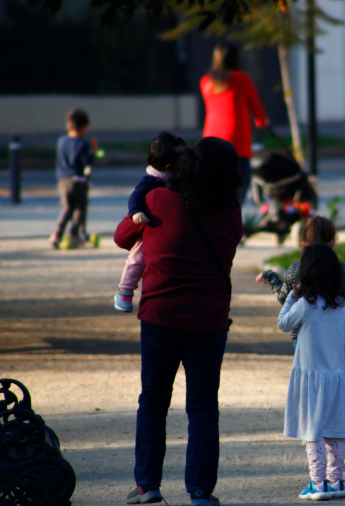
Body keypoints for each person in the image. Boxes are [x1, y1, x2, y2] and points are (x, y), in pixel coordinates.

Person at [114, 137, 244, 506]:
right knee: (203, 407)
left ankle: (147, 485)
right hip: (209, 321)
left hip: (160, 317)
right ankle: (201, 491)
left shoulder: (157, 201)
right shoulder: (232, 212)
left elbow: (123, 236)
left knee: (154, 400)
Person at [278, 242, 345, 501]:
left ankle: (317, 483)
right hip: (337, 378)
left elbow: (283, 324)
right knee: (335, 431)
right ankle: (336, 480)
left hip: (309, 378)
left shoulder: (305, 304)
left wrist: (292, 296)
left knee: (311, 432)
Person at [256, 216, 345, 345]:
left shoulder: (296, 269)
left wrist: (272, 277)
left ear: (302, 243)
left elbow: (284, 299)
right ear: (333, 243)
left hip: (303, 337)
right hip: (333, 336)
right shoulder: (340, 269)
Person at [114, 132, 188, 313]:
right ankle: (125, 290)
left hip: (162, 230)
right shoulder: (151, 181)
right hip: (147, 227)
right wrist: (136, 213)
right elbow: (135, 197)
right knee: (137, 258)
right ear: (169, 167)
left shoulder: (172, 178)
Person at [200, 43, 269, 204]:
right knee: (239, 185)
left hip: (211, 139)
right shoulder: (241, 79)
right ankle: (230, 219)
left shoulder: (206, 82)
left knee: (214, 185)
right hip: (237, 139)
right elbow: (257, 108)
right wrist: (262, 121)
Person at [51, 109, 97, 249]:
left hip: (62, 180)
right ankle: (74, 234)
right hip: (78, 181)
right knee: (80, 207)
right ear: (84, 128)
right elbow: (85, 163)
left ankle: (57, 234)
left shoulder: (61, 141)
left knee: (67, 207)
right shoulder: (83, 144)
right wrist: (93, 152)